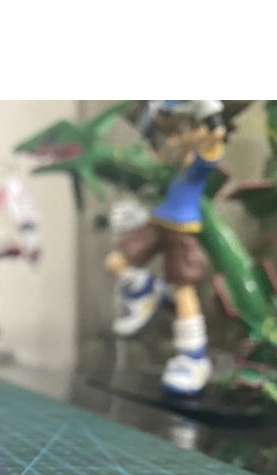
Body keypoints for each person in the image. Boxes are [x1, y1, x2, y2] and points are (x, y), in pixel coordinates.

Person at [105, 100, 226, 394]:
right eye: (166, 136)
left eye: (177, 133)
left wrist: (209, 113)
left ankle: (193, 356)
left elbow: (215, 138)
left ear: (195, 132)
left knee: (183, 291)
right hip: (158, 223)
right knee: (116, 261)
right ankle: (145, 288)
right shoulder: (175, 167)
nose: (169, 142)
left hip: (182, 232)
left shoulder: (198, 165)